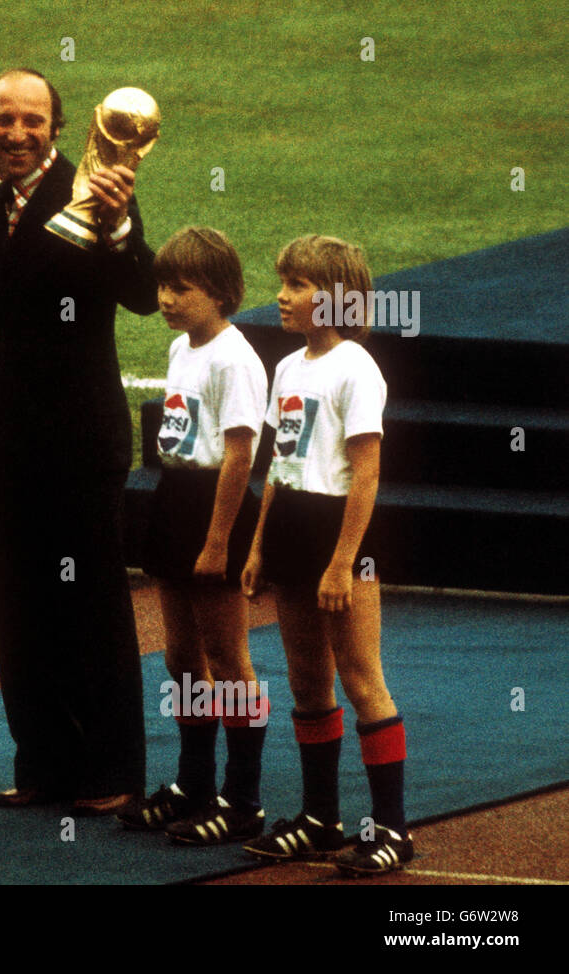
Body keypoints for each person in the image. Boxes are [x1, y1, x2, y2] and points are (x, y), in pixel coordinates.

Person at [0, 68, 157, 815]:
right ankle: (45, 764)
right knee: (19, 606)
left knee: (89, 608)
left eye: (32, 121)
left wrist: (117, 227)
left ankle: (109, 773)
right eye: (2, 119)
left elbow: (142, 293)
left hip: (78, 446)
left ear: (56, 127)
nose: (16, 134)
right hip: (6, 447)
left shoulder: (96, 190)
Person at [240, 235, 412, 875]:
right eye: (283, 281)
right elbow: (278, 465)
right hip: (289, 526)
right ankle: (320, 819)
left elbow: (365, 475)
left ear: (336, 297)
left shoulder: (357, 369)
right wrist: (259, 544)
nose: (281, 296)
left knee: (362, 677)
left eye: (297, 285)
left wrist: (342, 561)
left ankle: (393, 830)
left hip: (339, 533)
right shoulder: (287, 369)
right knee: (308, 681)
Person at [117, 227, 269, 844]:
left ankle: (244, 797)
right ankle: (194, 782)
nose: (166, 299)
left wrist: (217, 541)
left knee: (229, 657)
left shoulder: (236, 357)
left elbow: (240, 456)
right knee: (182, 656)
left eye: (180, 289)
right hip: (176, 497)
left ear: (221, 292)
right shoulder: (184, 349)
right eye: (162, 286)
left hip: (216, 504)